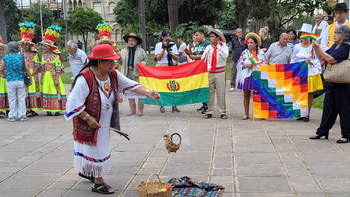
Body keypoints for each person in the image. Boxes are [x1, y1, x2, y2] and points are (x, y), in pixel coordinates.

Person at [65, 44, 160, 194]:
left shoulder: (112, 74)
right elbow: (73, 102)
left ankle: (87, 171)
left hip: (104, 122)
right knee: (97, 149)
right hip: (89, 122)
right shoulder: (85, 79)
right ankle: (98, 182)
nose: (113, 64)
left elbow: (131, 85)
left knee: (97, 148)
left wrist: (148, 92)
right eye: (109, 61)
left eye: (113, 61)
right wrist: (88, 117)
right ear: (99, 62)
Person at [309, 25, 350, 143]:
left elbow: (331, 59)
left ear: (344, 35)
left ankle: (346, 134)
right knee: (328, 107)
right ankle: (322, 131)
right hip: (332, 81)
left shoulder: (346, 46)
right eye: (335, 32)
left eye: (338, 32)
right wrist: (316, 47)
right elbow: (322, 56)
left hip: (343, 82)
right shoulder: (334, 46)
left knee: (344, 109)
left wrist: (318, 46)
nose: (334, 34)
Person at [291, 25, 323, 122]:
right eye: (302, 35)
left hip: (310, 72)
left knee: (309, 93)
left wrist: (312, 62)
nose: (304, 37)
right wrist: (294, 67)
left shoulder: (314, 46)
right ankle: (301, 112)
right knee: (300, 93)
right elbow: (293, 59)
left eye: (306, 35)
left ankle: (307, 114)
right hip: (299, 72)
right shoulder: (297, 46)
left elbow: (319, 59)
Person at [236, 33, 266, 120]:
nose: (249, 44)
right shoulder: (244, 53)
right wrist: (246, 66)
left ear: (256, 44)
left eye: (252, 42)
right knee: (246, 95)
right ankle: (246, 113)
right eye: (248, 43)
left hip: (257, 75)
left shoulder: (260, 53)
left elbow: (264, 63)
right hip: (247, 76)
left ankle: (260, 113)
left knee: (258, 95)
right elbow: (239, 64)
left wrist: (256, 64)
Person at [117, 33, 148, 116]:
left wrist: (141, 63)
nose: (130, 42)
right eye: (129, 41)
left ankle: (140, 110)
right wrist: (119, 57)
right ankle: (132, 109)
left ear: (136, 42)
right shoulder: (123, 51)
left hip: (137, 73)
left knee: (140, 91)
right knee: (129, 91)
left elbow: (146, 61)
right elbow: (120, 62)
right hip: (127, 73)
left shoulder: (141, 51)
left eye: (132, 41)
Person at [0, 42, 32, 122]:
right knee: (21, 98)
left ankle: (12, 116)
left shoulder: (5, 57)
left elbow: (1, 68)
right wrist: (30, 78)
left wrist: (4, 75)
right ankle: (22, 115)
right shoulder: (21, 56)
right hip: (20, 79)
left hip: (10, 80)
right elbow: (27, 68)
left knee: (12, 98)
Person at [201, 29, 229, 119]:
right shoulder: (208, 48)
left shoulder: (224, 47)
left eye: (213, 37)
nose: (211, 38)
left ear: (218, 38)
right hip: (210, 73)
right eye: (210, 37)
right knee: (210, 93)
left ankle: (222, 111)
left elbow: (225, 56)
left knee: (221, 93)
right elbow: (203, 58)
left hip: (220, 72)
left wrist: (219, 47)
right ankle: (209, 111)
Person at [40, 25, 67, 116]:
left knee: (55, 91)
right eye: (43, 46)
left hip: (54, 75)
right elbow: (43, 69)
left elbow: (58, 69)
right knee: (47, 90)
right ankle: (48, 109)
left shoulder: (56, 57)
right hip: (46, 76)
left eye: (45, 46)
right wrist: (41, 78)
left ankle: (56, 109)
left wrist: (56, 79)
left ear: (50, 47)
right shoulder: (43, 57)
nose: (44, 48)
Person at [18, 22, 42, 117]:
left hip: (33, 75)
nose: (25, 46)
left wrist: (32, 74)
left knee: (33, 92)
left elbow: (38, 66)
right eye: (23, 45)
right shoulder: (20, 55)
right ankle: (26, 109)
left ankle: (32, 109)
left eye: (26, 45)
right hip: (24, 75)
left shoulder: (34, 55)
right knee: (25, 92)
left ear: (30, 45)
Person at [155, 30, 179, 113]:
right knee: (162, 86)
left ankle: (174, 105)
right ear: (162, 37)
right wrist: (163, 49)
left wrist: (172, 54)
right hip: (162, 66)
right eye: (165, 36)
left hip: (171, 66)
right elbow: (158, 58)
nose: (167, 38)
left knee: (173, 86)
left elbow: (176, 58)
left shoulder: (173, 45)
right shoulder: (158, 45)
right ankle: (162, 105)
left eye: (169, 36)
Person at [189, 29, 211, 113]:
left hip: (204, 69)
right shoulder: (197, 45)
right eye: (195, 35)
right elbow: (192, 55)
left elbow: (207, 55)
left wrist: (196, 57)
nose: (196, 37)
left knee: (204, 86)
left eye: (197, 35)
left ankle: (207, 105)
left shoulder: (207, 44)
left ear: (202, 34)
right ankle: (203, 104)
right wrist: (190, 50)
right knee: (200, 86)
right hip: (197, 69)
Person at [0, 36, 9, 118]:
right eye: (0, 50)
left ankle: (8, 109)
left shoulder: (5, 59)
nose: (1, 51)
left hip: (6, 79)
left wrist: (5, 74)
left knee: (8, 94)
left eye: (2, 50)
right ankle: (1, 110)